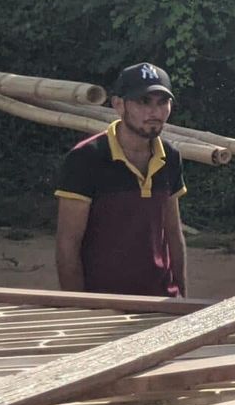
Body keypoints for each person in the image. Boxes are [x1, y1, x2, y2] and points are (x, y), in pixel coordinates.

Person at [54, 62, 188, 297]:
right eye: (143, 102)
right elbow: (68, 244)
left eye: (162, 102)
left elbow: (173, 232)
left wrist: (184, 298)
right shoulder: (86, 158)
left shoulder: (170, 157)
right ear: (118, 104)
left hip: (162, 300)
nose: (154, 112)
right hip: (104, 303)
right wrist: (77, 309)